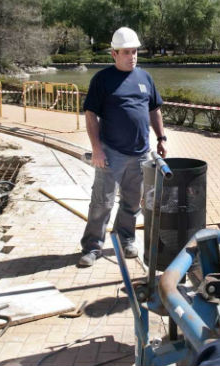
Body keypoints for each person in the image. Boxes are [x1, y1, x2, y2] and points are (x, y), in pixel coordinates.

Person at [78, 27, 167, 267]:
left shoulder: (145, 78)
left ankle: (126, 238)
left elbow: (154, 109)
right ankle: (92, 247)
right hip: (111, 153)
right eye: (126, 52)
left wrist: (161, 138)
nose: (132, 56)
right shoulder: (102, 80)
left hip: (140, 154)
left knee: (132, 201)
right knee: (102, 202)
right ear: (113, 54)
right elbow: (90, 114)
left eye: (135, 51)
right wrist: (96, 149)